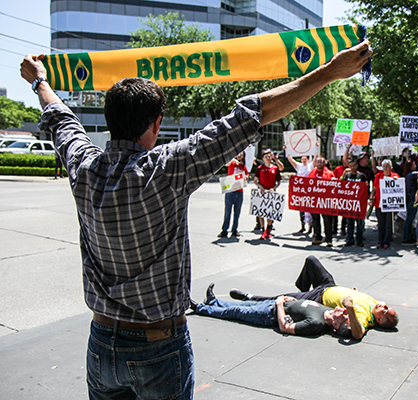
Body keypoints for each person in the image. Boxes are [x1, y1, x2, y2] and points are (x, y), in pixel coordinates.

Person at [21, 40, 372, 399]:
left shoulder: (85, 168)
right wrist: (330, 72)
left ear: (111, 121)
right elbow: (252, 115)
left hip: (100, 342)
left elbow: (60, 119)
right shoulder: (168, 168)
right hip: (157, 346)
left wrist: (40, 81)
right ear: (157, 124)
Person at [229, 256, 398, 340]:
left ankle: (249, 298)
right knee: (311, 261)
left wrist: (351, 308)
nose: (383, 306)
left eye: (385, 311)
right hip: (329, 285)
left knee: (280, 298)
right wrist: (355, 292)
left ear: (381, 320)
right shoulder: (375, 304)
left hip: (319, 298)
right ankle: (300, 295)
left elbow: (358, 334)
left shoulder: (366, 319)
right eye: (386, 306)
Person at [191, 284, 351, 337]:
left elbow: (285, 327)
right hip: (274, 305)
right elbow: (305, 306)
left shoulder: (317, 323)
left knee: (234, 312)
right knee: (238, 307)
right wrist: (292, 301)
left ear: (336, 325)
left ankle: (201, 308)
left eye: (344, 315)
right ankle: (214, 301)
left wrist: (280, 304)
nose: (344, 311)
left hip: (268, 315)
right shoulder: (328, 309)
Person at [369, 159, 400, 249]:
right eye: (384, 166)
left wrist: (396, 181)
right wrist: (371, 198)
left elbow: (399, 185)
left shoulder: (394, 176)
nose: (385, 168)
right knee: (381, 224)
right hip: (379, 204)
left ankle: (386, 242)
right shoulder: (378, 176)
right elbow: (374, 189)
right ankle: (380, 242)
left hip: (389, 205)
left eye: (387, 166)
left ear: (391, 167)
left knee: (388, 224)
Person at [218, 152, 248, 238]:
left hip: (239, 191)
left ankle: (234, 229)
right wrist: (233, 159)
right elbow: (225, 162)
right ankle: (224, 230)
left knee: (237, 212)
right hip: (230, 191)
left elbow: (246, 176)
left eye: (241, 155)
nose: (239, 156)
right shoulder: (232, 163)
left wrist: (246, 177)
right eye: (238, 154)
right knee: (228, 211)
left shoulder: (243, 167)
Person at [308, 156, 336, 246]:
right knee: (315, 220)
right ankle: (318, 238)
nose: (319, 164)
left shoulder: (329, 173)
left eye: (321, 162)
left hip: (326, 201)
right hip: (315, 201)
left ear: (324, 163)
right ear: (315, 163)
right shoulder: (312, 173)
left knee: (327, 220)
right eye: (318, 162)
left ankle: (329, 239)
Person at [254, 149, 282, 239]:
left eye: (269, 157)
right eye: (266, 157)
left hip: (271, 192)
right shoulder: (260, 168)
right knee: (261, 213)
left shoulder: (275, 168)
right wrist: (260, 187)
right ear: (263, 158)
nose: (268, 158)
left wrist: (274, 188)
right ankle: (262, 230)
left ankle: (268, 229)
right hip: (262, 192)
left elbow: (279, 181)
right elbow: (255, 181)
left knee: (270, 213)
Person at [341, 156, 367, 246]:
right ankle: (350, 239)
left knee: (360, 223)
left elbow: (366, 189)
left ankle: (359, 240)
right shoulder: (347, 176)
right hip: (349, 204)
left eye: (354, 166)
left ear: (357, 166)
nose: (352, 168)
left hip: (359, 203)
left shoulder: (362, 176)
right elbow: (342, 187)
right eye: (350, 166)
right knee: (349, 223)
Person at [287, 152, 313, 233]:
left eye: (305, 159)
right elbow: (290, 159)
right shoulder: (299, 166)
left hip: (309, 191)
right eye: (302, 159)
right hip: (300, 191)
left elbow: (316, 156)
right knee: (301, 209)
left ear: (308, 160)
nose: (304, 161)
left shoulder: (311, 165)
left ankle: (310, 226)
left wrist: (315, 148)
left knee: (309, 209)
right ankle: (302, 225)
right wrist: (287, 150)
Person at [401, 161, 418, 245]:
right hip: (411, 199)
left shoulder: (408, 175)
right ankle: (406, 237)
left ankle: (407, 236)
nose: (416, 165)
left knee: (409, 219)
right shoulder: (412, 175)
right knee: (409, 219)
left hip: (409, 199)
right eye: (414, 164)